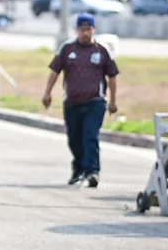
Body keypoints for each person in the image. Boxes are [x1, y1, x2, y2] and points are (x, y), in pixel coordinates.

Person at [41, 13, 119, 188]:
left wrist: (113, 101)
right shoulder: (67, 49)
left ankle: (92, 171)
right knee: (74, 138)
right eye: (82, 29)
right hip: (72, 103)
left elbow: (112, 76)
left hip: (95, 102)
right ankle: (78, 170)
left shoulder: (102, 50)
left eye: (88, 29)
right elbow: (55, 71)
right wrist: (47, 93)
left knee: (90, 136)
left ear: (94, 30)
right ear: (77, 30)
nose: (85, 33)